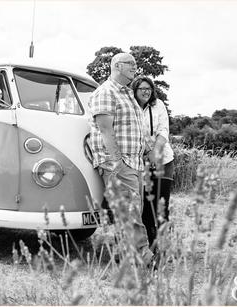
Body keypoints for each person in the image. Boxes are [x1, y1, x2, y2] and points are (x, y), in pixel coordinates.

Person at [88, 53, 153, 263]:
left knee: (131, 211)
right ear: (117, 65)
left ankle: (127, 256)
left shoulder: (126, 93)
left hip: (133, 161)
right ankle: (141, 256)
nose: (136, 67)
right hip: (119, 162)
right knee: (131, 212)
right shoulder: (106, 92)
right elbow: (105, 130)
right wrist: (117, 162)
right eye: (131, 64)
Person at [130, 75, 174, 252]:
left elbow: (164, 130)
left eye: (149, 88)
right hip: (141, 162)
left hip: (163, 160)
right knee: (146, 208)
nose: (146, 91)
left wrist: (155, 152)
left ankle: (164, 246)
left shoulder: (158, 105)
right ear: (135, 90)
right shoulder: (130, 107)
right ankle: (150, 246)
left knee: (161, 205)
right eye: (142, 88)